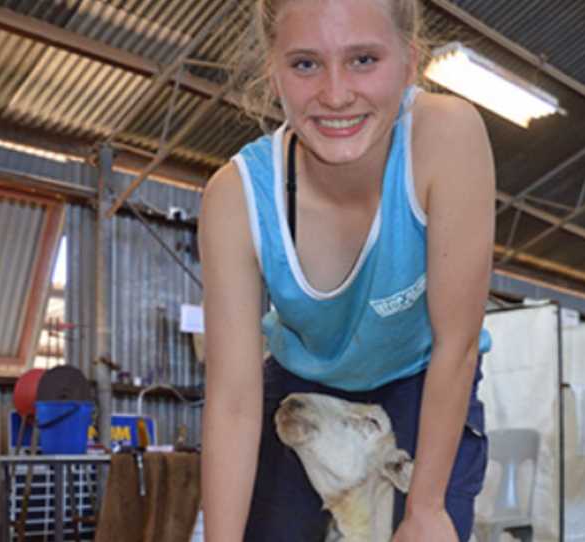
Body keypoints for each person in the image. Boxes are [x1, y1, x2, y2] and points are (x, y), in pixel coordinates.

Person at [198, 0, 495, 540]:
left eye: (363, 59)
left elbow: (458, 342)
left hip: (423, 378)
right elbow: (234, 401)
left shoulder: (446, 139)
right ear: (273, 72)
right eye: (306, 64)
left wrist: (425, 507)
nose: (335, 95)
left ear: (408, 61)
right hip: (300, 381)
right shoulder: (235, 198)